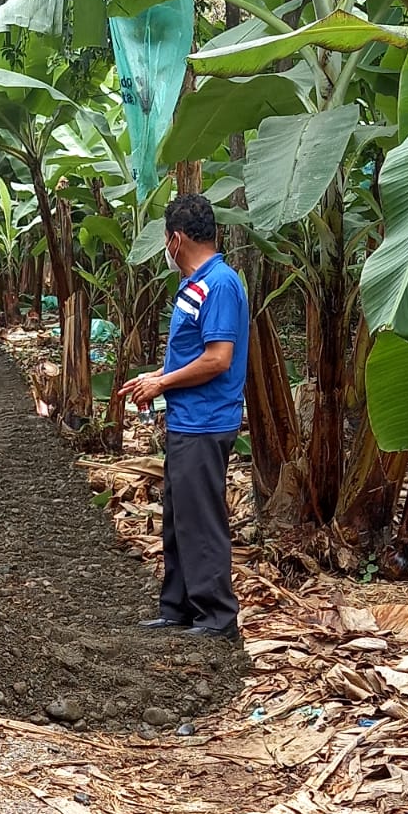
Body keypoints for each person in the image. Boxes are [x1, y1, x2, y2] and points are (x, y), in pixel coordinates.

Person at [118, 193, 248, 642]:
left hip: (207, 421)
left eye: (165, 240)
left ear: (175, 240)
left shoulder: (220, 284)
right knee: (179, 518)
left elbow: (218, 358)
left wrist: (163, 385)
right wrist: (156, 376)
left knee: (201, 520)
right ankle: (178, 607)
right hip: (187, 419)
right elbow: (193, 354)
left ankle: (216, 616)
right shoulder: (197, 284)